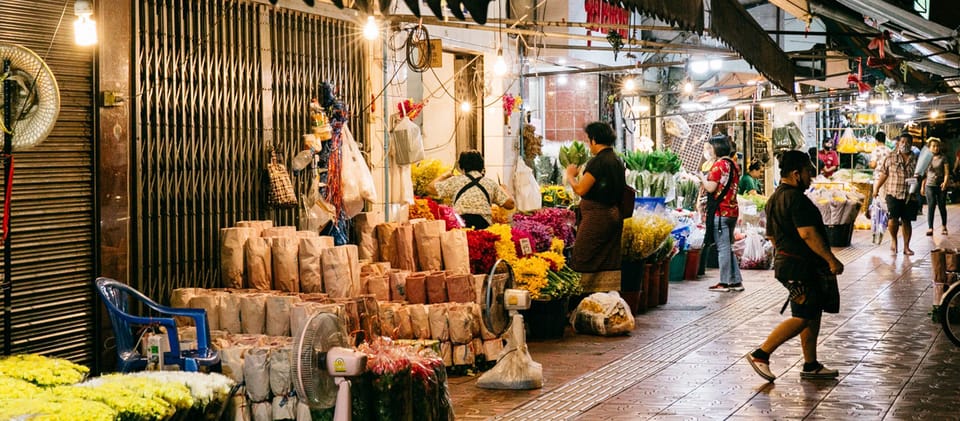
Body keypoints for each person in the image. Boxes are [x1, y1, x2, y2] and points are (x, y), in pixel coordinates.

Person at [746, 150, 843, 382]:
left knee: (812, 312)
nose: (811, 176)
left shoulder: (775, 197)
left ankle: (811, 364)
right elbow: (808, 234)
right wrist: (831, 259)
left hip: (790, 263)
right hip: (798, 266)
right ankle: (761, 354)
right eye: (809, 171)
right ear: (796, 174)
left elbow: (771, 235)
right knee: (803, 316)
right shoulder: (796, 199)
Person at [566, 121, 627, 277]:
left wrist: (570, 176)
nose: (589, 145)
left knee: (582, 256)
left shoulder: (599, 161)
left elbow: (581, 189)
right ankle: (605, 296)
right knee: (606, 259)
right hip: (612, 215)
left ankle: (585, 297)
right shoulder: (616, 160)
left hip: (597, 218)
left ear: (593, 140)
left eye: (588, 140)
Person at [429, 150, 514, 229]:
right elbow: (510, 204)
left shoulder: (456, 181)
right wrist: (505, 189)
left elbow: (430, 188)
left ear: (462, 167)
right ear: (482, 166)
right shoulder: (490, 183)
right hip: (483, 223)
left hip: (460, 222)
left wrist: (445, 175)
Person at [701, 134, 743, 292]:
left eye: (710, 148)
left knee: (723, 248)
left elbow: (711, 188)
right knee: (728, 246)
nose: (709, 151)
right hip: (732, 211)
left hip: (721, 211)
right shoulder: (733, 165)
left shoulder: (718, 165)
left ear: (717, 148)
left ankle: (724, 282)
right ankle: (736, 281)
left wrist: (702, 178)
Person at [872, 133, 919, 255]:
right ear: (898, 143)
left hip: (909, 195)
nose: (905, 144)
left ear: (911, 144)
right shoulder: (891, 157)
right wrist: (876, 188)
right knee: (893, 219)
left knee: (906, 220)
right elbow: (884, 173)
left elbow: (921, 174)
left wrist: (919, 179)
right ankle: (894, 241)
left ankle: (906, 247)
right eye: (902, 141)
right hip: (893, 193)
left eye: (908, 142)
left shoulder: (916, 158)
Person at [921, 137, 950, 236]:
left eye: (937, 146)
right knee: (931, 206)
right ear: (929, 147)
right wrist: (922, 186)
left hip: (941, 185)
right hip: (929, 185)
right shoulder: (926, 158)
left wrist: (945, 182)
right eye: (933, 146)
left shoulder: (943, 157)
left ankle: (944, 226)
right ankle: (930, 228)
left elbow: (946, 172)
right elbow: (924, 174)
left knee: (942, 206)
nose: (936, 148)